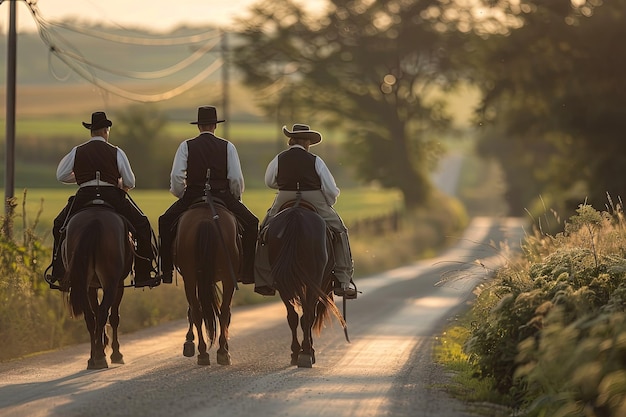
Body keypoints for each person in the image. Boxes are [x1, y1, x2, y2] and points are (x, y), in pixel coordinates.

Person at [45, 111, 160, 289]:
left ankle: (59, 272)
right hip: (112, 195)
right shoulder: (116, 151)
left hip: (84, 195)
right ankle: (143, 272)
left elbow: (61, 175)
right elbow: (130, 181)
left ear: (91, 131)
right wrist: (118, 182)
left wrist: (83, 177)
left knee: (59, 225)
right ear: (106, 130)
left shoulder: (78, 150)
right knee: (143, 224)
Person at [157, 105, 259, 284]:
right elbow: (235, 178)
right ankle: (246, 273)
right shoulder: (228, 147)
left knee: (164, 222)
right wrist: (236, 198)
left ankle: (166, 271)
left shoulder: (186, 146)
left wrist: (182, 195)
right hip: (223, 195)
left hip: (193, 194)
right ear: (215, 126)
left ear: (199, 126)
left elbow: (176, 176)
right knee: (252, 223)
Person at [254, 123, 357, 299]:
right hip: (313, 197)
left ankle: (264, 279)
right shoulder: (316, 160)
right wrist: (327, 202)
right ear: (307, 142)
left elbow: (269, 181)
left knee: (264, 232)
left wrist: (286, 187)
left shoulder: (279, 158)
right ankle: (343, 279)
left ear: (291, 140)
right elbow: (330, 189)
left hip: (285, 196)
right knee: (340, 231)